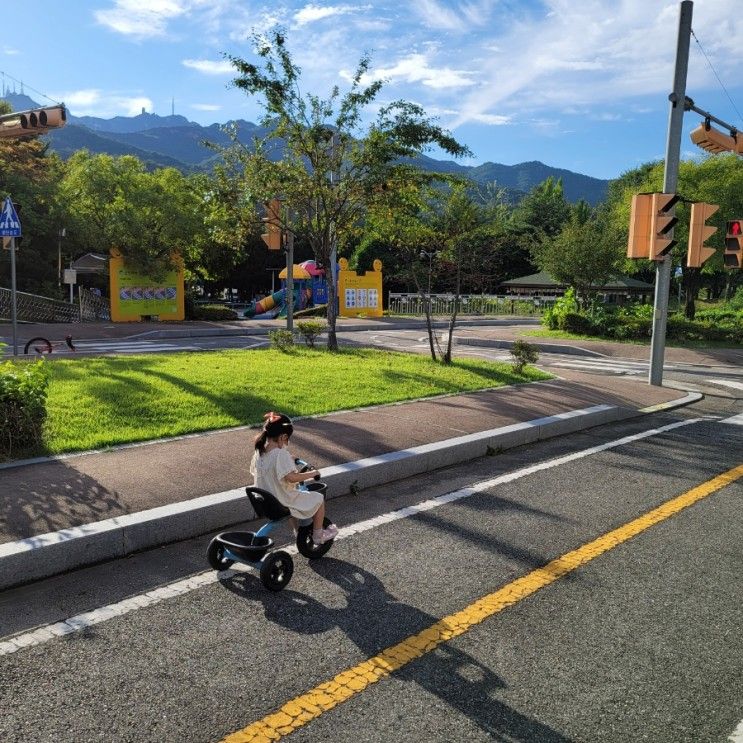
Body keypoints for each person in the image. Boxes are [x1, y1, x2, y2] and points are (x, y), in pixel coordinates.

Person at [250, 412, 338, 546]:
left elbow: (270, 468)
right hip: (282, 500)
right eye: (287, 440)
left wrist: (289, 460)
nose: (287, 443)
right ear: (283, 437)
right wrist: (312, 473)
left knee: (293, 504)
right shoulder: (280, 454)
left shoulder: (260, 452)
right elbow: (292, 478)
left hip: (266, 501)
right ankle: (318, 536)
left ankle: (298, 531)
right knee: (318, 499)